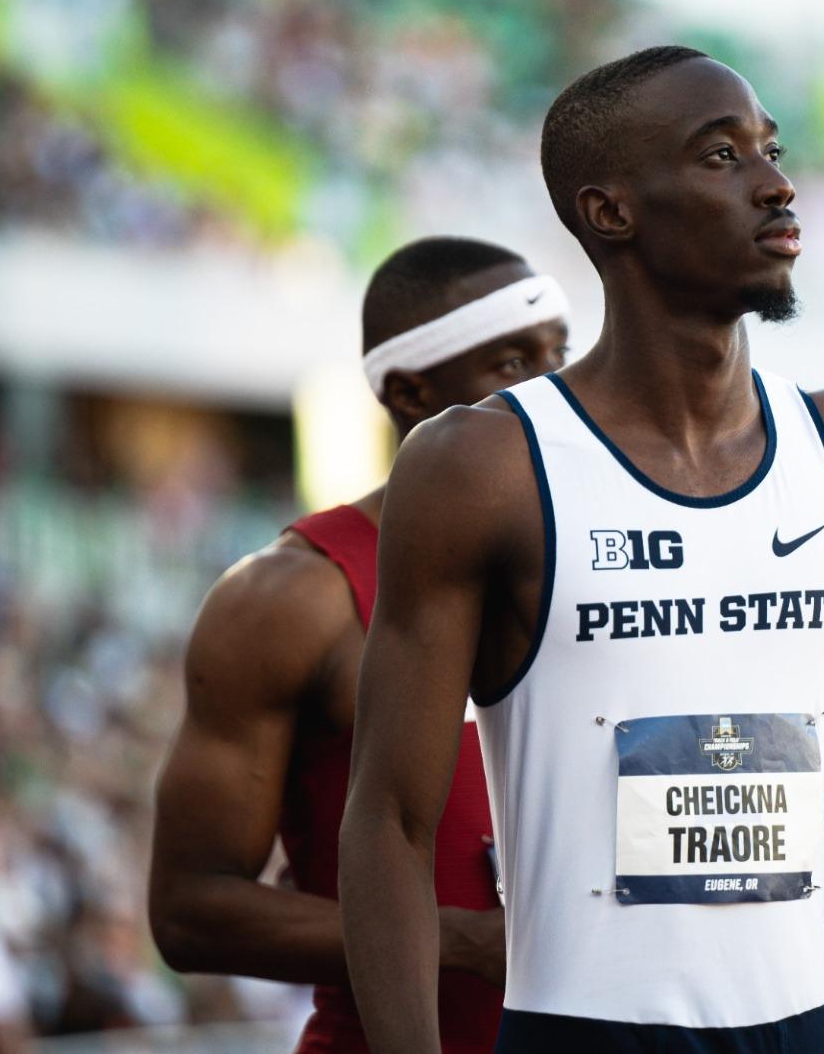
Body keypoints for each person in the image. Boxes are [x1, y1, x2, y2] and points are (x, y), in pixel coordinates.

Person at [339, 47, 824, 1052]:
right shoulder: (483, 465)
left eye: (771, 150)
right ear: (611, 211)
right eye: (720, 156)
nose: (776, 185)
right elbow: (390, 823)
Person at [148, 237, 571, 1053]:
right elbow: (189, 910)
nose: (556, 391)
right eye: (516, 362)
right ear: (413, 391)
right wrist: (460, 938)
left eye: (562, 354)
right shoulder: (291, 597)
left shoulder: (613, 560)